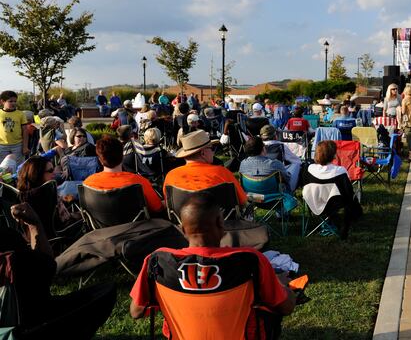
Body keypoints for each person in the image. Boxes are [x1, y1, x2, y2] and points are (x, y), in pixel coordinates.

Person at [129, 194, 295, 338]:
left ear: (182, 229)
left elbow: (137, 311)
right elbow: (286, 307)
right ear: (220, 223)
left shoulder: (158, 260)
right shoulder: (250, 260)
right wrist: (280, 283)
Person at [1, 203, 117, 338]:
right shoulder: (9, 245)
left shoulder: (8, 240)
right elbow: (47, 269)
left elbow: (45, 268)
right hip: (30, 324)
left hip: (23, 318)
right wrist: (34, 225)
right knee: (103, 294)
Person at [163, 130, 248, 207]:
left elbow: (168, 203)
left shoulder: (171, 176)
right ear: (203, 153)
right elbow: (243, 201)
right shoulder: (222, 173)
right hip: (221, 222)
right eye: (211, 148)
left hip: (184, 222)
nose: (213, 152)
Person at [83, 136, 164, 215]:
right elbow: (157, 208)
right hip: (137, 226)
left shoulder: (88, 183)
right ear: (122, 157)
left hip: (101, 227)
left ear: (100, 160)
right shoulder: (139, 182)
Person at [301, 141, 363, 240]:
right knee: (350, 199)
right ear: (333, 154)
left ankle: (328, 222)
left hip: (313, 201)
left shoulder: (309, 168)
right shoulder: (340, 171)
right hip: (334, 204)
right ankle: (346, 225)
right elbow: (347, 193)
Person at [260, 125, 302, 193]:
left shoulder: (256, 147)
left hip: (257, 181)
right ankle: (290, 190)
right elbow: (297, 161)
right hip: (276, 183)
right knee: (296, 164)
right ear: (275, 135)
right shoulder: (281, 146)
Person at [0, 90, 30, 162]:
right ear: (2, 102)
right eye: (10, 101)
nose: (13, 103)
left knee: (18, 167)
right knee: (3, 169)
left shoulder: (20, 114)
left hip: (18, 146)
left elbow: (25, 131)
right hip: (2, 146)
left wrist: (25, 147)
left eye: (15, 101)